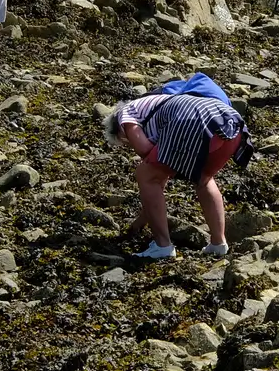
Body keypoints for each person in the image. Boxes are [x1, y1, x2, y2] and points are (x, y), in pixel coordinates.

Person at [102, 78, 247, 260]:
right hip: (229, 123)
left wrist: (138, 147)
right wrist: (140, 222)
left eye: (125, 142)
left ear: (119, 132)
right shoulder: (159, 106)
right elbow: (159, 182)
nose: (129, 144)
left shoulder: (125, 114)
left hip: (192, 118)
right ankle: (218, 244)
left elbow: (145, 150)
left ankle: (163, 246)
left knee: (145, 174)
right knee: (204, 179)